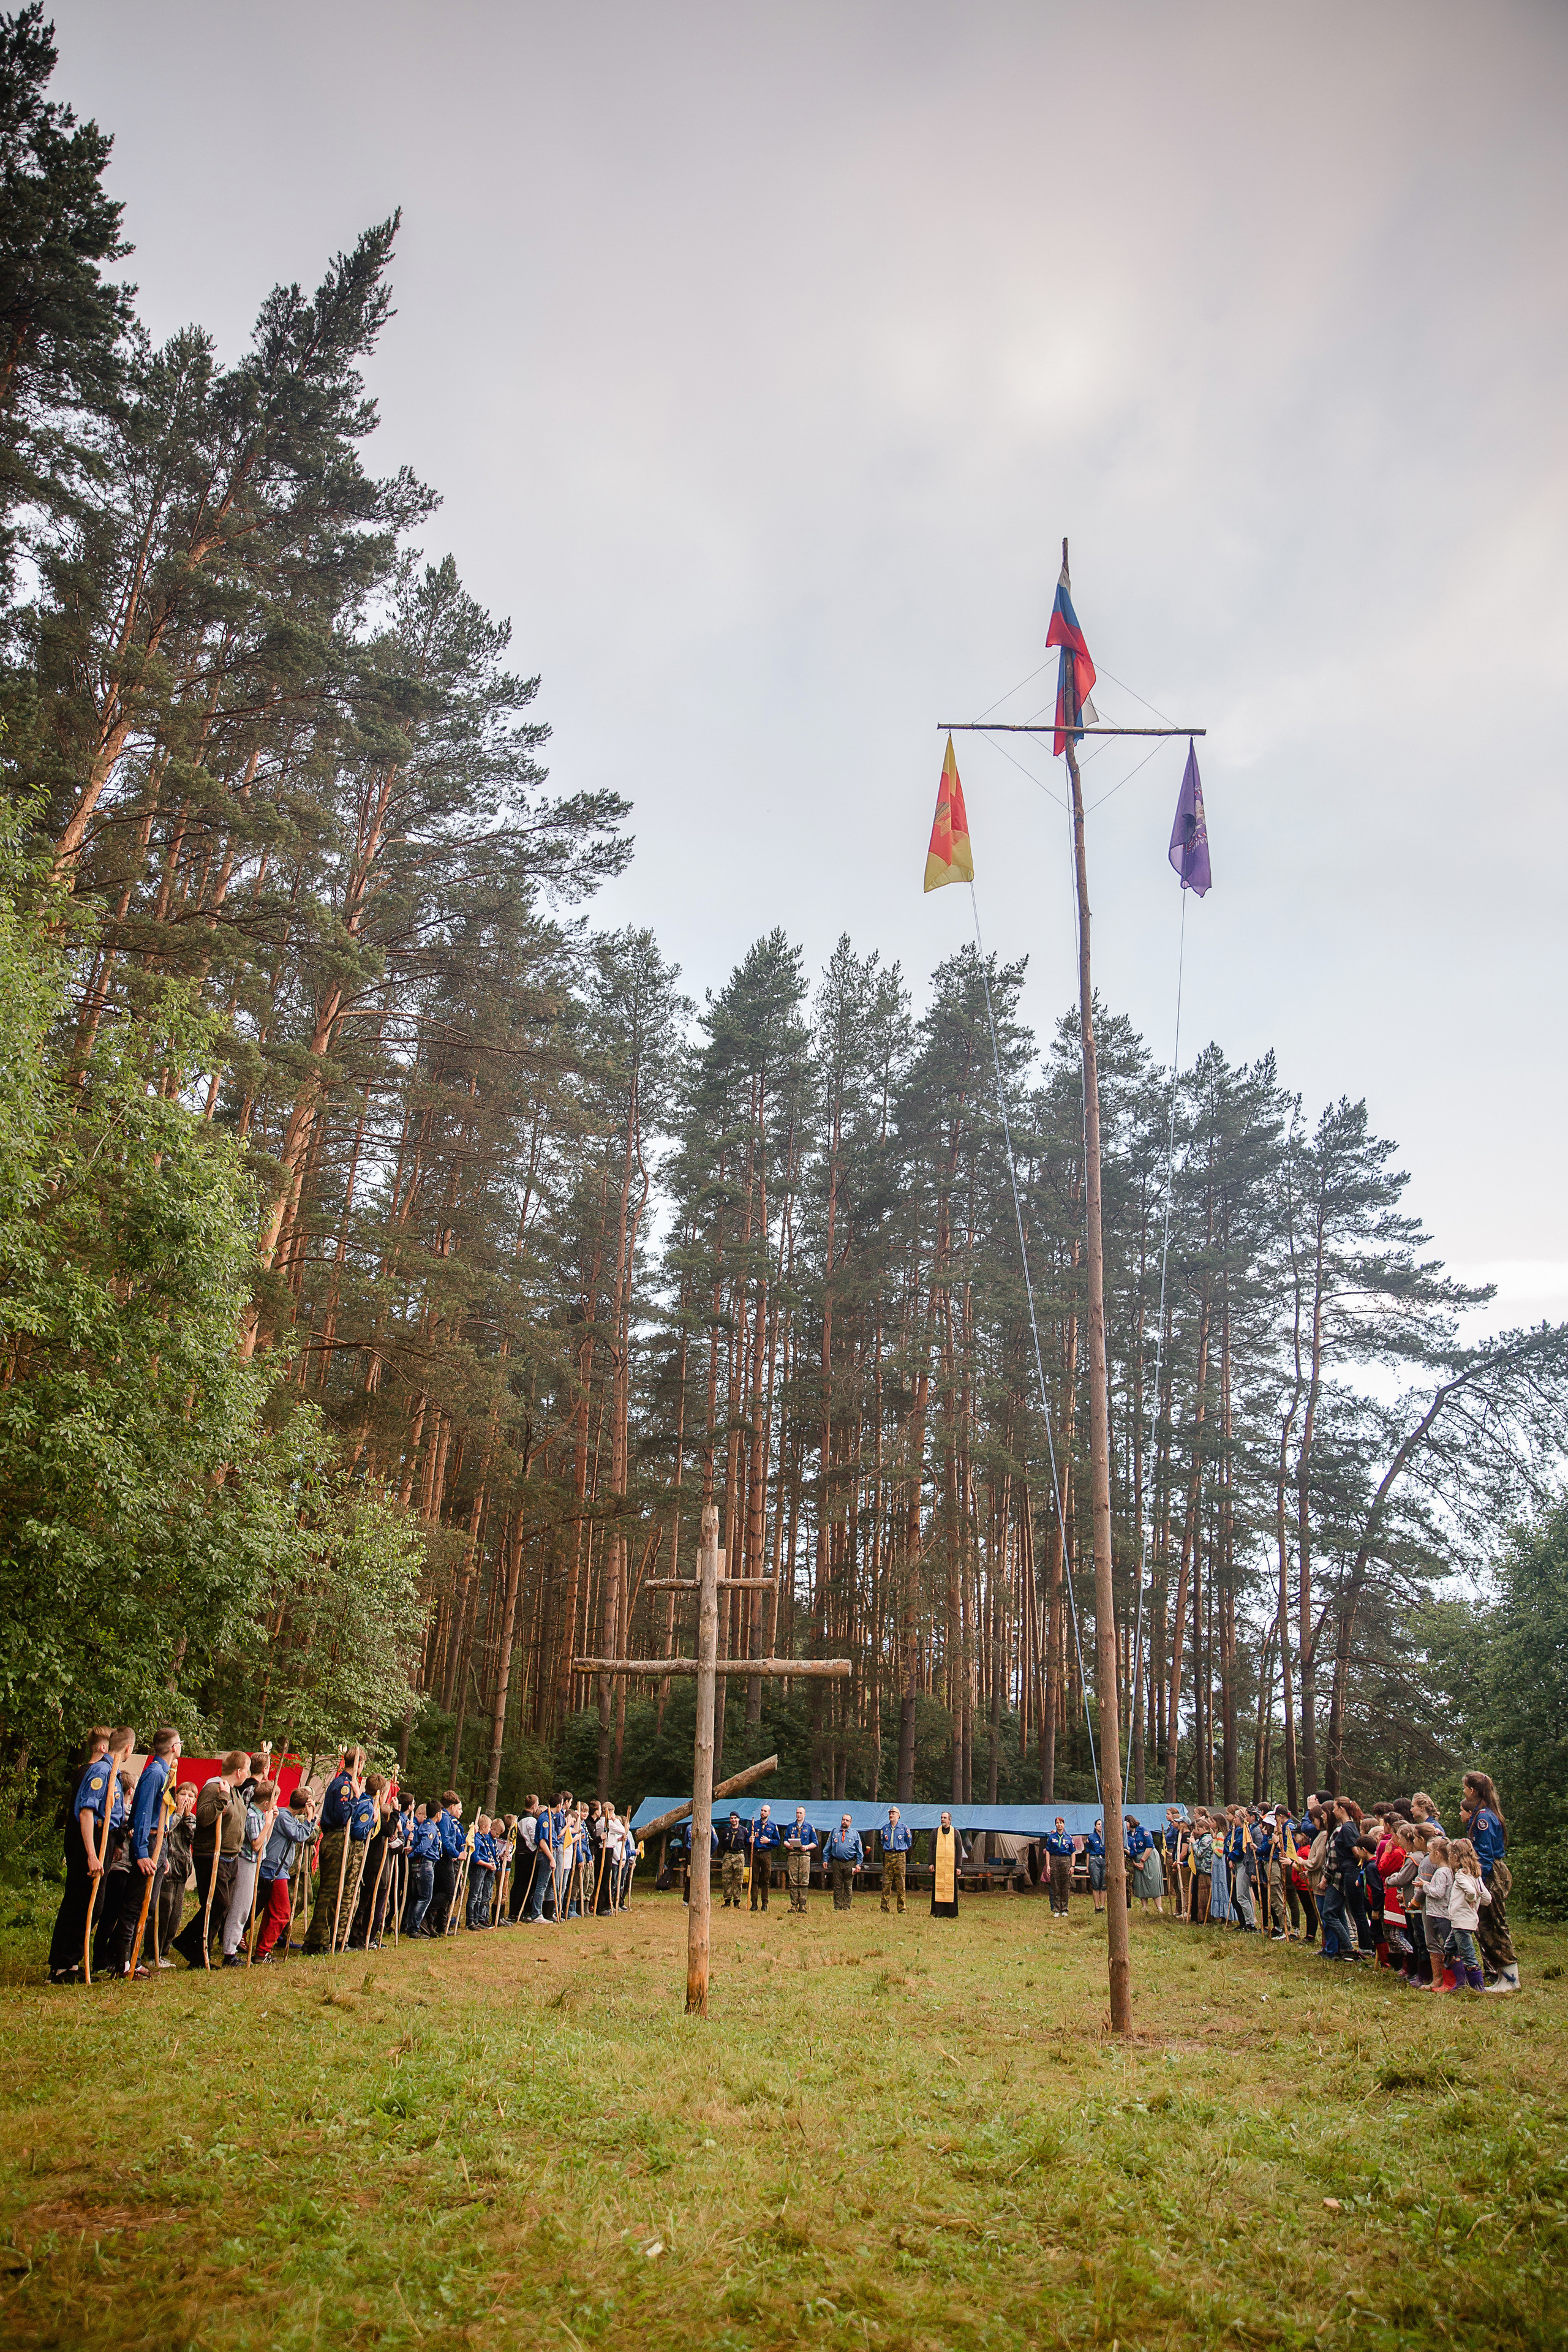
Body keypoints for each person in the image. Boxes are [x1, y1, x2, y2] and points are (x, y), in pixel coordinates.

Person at [49, 1727, 122, 1983]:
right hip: (84, 1844)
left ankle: (69, 1962)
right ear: (103, 1748)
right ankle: (63, 1964)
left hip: (94, 1843)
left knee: (89, 1902)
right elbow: (86, 1813)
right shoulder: (91, 1773)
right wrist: (91, 1852)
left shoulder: (100, 1771)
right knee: (80, 1902)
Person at [173, 1749, 246, 1970]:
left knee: (221, 1906)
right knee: (217, 1903)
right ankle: (187, 1942)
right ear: (240, 1771)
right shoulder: (214, 1788)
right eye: (248, 1769)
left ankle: (201, 1953)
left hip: (230, 1857)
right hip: (212, 1855)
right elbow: (204, 1817)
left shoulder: (235, 1791)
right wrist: (222, 1798)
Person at [1460, 1771, 1519, 1992]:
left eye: (1465, 1787)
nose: (1464, 1791)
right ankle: (1502, 1976)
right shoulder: (1481, 1813)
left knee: (1494, 1924)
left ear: (1473, 1791)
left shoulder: (1484, 1818)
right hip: (1488, 1871)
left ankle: (1510, 1979)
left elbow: (1484, 1854)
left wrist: (1477, 1882)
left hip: (1490, 1874)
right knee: (1485, 1926)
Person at [254, 1789, 318, 1961]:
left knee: (272, 1912)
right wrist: (310, 1818)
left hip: (278, 1869)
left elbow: (304, 1833)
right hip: (274, 1869)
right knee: (283, 1912)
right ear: (304, 1806)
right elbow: (299, 1835)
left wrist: (309, 1820)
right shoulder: (283, 1816)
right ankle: (262, 1952)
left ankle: (262, 1950)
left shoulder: (288, 1817)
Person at [222, 1777, 277, 1966]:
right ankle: (229, 1952)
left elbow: (264, 1843)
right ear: (267, 1803)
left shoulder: (262, 1815)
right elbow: (256, 1845)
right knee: (240, 1908)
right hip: (246, 1863)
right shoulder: (253, 1816)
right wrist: (268, 1824)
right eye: (275, 1800)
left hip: (255, 1863)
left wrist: (271, 1821)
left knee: (245, 1908)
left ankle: (232, 1947)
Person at [1437, 1837, 1490, 1992]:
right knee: (1449, 1948)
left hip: (1461, 1921)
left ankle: (1477, 1987)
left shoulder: (1461, 1875)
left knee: (1468, 1954)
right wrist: (1476, 1902)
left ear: (1454, 1858)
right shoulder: (1476, 1876)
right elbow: (1487, 1898)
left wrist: (1471, 1900)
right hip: (1465, 1920)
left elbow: (1472, 1893)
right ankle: (1461, 1981)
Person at [156, 1779, 197, 1962]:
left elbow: (193, 1838)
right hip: (167, 1870)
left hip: (182, 1871)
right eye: (183, 1794)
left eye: (190, 1796)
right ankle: (154, 1951)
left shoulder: (192, 1819)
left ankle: (165, 1950)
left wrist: (187, 1816)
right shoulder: (168, 1814)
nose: (186, 1799)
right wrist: (179, 1813)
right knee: (163, 1913)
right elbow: (166, 1830)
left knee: (175, 1916)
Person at [429, 1788, 466, 1937]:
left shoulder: (447, 1819)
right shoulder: (444, 1818)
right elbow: (446, 1841)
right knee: (449, 1891)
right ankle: (429, 1913)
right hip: (444, 1859)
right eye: (457, 1807)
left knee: (447, 1891)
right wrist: (457, 1854)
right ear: (452, 1806)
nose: (458, 1810)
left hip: (448, 1859)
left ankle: (440, 1925)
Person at [404, 1803, 442, 1936]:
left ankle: (409, 1926)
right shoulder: (430, 1829)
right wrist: (413, 1855)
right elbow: (424, 1847)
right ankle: (414, 1928)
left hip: (420, 1864)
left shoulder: (424, 1826)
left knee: (416, 1897)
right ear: (438, 1814)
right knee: (425, 1897)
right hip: (425, 1865)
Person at [782, 1807, 818, 1913]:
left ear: (805, 1814)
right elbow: (785, 1840)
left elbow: (815, 1842)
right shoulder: (791, 1826)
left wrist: (806, 1847)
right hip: (793, 1855)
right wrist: (789, 1846)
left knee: (804, 1880)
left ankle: (802, 1905)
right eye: (797, 1813)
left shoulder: (810, 1827)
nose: (798, 1815)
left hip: (804, 1856)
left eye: (801, 1813)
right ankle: (794, 1905)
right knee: (793, 1880)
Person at [880, 1806, 913, 1915]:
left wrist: (901, 1851)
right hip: (888, 1855)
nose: (891, 1816)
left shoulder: (904, 1828)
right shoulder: (885, 1829)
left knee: (901, 1882)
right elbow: (882, 1842)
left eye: (893, 1814)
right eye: (890, 1814)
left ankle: (901, 1908)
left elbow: (909, 1843)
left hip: (900, 1856)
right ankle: (884, 1908)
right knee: (886, 1882)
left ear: (898, 1816)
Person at [825, 1814, 863, 1910]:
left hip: (850, 1862)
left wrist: (858, 1864)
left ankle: (846, 1906)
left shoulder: (855, 1834)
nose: (844, 1822)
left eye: (847, 1820)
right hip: (837, 1862)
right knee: (837, 1886)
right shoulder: (835, 1832)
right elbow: (828, 1847)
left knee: (848, 1886)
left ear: (850, 1823)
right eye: (843, 1820)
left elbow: (859, 1851)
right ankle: (837, 1906)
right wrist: (825, 1859)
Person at [931, 1809, 962, 1918]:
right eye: (941, 1818)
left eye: (945, 1818)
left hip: (951, 1867)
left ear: (950, 1820)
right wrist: (931, 1863)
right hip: (938, 1866)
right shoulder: (935, 1832)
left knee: (951, 1889)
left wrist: (959, 1867)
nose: (943, 1820)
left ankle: (951, 1913)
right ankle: (938, 1912)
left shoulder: (956, 1833)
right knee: (938, 1888)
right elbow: (931, 1848)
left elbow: (959, 1850)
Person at [1129, 1816, 1164, 1913]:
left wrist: (1142, 1861)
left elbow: (1149, 1847)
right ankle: (1145, 1907)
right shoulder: (1128, 1834)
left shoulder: (1143, 1831)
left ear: (1130, 1822)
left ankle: (1159, 1907)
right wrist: (1135, 1863)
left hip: (1148, 1857)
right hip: (1137, 1858)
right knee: (1140, 1882)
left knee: (1152, 1880)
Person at [468, 1815, 499, 1926]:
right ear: (484, 1827)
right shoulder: (477, 1839)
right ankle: (470, 1920)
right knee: (474, 1896)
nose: (490, 1829)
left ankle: (477, 1920)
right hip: (478, 1869)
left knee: (479, 1896)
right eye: (489, 1827)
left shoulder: (484, 1838)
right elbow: (475, 1858)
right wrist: (488, 1865)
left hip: (484, 1869)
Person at [750, 1805, 780, 1912]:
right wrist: (750, 1839)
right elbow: (747, 1838)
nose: (763, 1812)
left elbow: (778, 1842)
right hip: (756, 1854)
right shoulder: (754, 1824)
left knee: (766, 1879)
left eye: (765, 1811)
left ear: (769, 1813)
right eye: (762, 1811)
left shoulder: (772, 1826)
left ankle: (765, 1904)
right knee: (754, 1879)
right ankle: (754, 1903)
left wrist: (769, 1841)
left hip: (766, 1854)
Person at [1043, 1818, 1075, 1917]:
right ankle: (1057, 1909)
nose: (1059, 1825)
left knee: (1065, 1885)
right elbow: (1048, 1851)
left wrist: (1072, 1866)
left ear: (1064, 1825)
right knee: (1055, 1884)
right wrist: (1048, 1865)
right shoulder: (1052, 1837)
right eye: (1057, 1823)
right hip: (1054, 1860)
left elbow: (1073, 1852)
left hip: (1066, 1860)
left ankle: (1065, 1908)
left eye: (1061, 1823)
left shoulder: (1069, 1837)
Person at [717, 1810, 748, 1909]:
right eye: (732, 1818)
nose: (734, 1820)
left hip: (739, 1855)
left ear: (739, 1819)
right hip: (728, 1855)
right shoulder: (726, 1831)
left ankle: (737, 1901)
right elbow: (722, 1844)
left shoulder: (744, 1831)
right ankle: (727, 1900)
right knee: (727, 1879)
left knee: (738, 1879)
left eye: (735, 1818)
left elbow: (747, 1844)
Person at [1084, 1820, 1107, 1912]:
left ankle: (1103, 1906)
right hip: (1094, 1859)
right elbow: (1088, 1853)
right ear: (1095, 1826)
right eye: (1098, 1824)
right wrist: (1087, 1867)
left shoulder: (1107, 1837)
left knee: (1104, 1884)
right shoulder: (1091, 1837)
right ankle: (1097, 1906)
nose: (1100, 1826)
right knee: (1096, 1883)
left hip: (1105, 1860)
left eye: (1102, 1825)